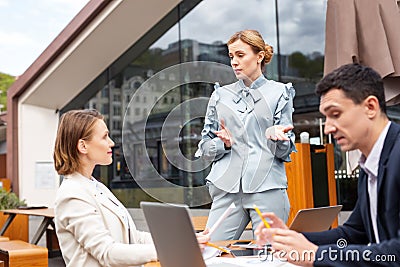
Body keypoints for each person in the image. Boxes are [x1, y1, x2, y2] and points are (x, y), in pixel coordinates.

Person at [255, 63, 400, 266]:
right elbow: (354, 233)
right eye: (326, 117)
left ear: (370, 107)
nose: (329, 128)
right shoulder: (371, 164)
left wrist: (316, 255)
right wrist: (290, 239)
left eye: (335, 114)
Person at [54, 109, 209, 267]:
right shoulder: (72, 195)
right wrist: (171, 249)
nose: (111, 143)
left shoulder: (96, 186)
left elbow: (134, 237)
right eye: (104, 137)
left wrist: (181, 241)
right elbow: (107, 252)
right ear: (83, 146)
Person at [195, 29, 296, 241]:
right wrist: (223, 144)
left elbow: (284, 153)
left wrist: (275, 137)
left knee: (270, 255)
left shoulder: (280, 92)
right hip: (227, 191)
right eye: (231, 56)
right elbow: (204, 148)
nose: (234, 62)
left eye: (240, 55)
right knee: (211, 250)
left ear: (259, 56)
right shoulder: (220, 95)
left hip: (267, 189)